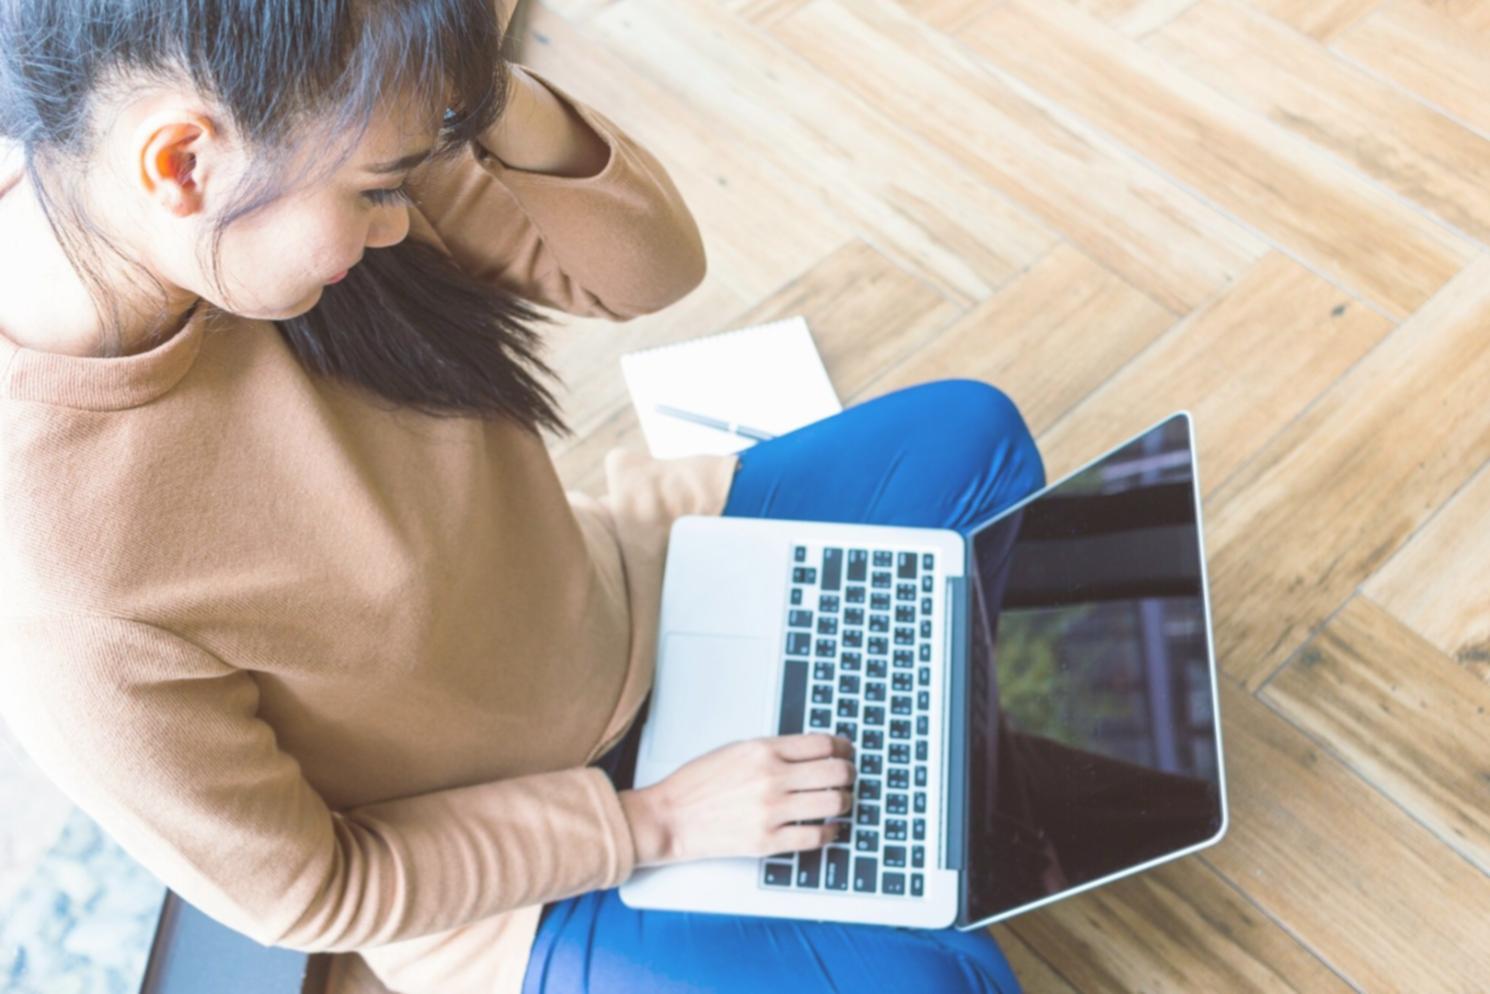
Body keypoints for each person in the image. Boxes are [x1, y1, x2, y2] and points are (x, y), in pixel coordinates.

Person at [0, 2, 1040, 992]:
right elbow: (312, 887)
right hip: (536, 862)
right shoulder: (61, 589)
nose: (399, 221)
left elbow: (641, 275)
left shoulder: (306, 137)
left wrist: (470, 89)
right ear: (180, 163)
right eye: (376, 190)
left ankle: (894, 770)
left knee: (972, 438)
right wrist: (658, 822)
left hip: (622, 599)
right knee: (943, 981)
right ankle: (887, 786)